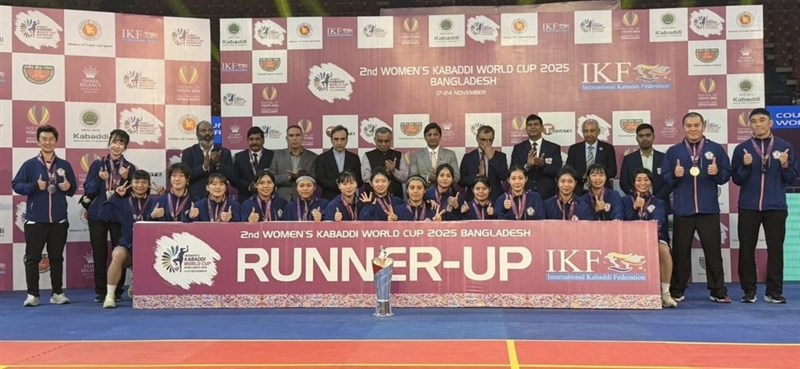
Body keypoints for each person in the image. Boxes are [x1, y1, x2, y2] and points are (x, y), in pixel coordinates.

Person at [661, 112, 731, 303]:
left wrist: (717, 173)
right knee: (681, 252)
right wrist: (674, 175)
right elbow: (665, 178)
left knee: (713, 252)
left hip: (708, 209)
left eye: (696, 125)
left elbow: (726, 176)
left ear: (703, 126)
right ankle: (677, 289)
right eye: (689, 125)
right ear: (683, 128)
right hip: (683, 210)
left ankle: (718, 290)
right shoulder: (674, 151)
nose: (693, 129)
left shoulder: (715, 149)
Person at [731, 108, 798, 304]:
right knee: (746, 249)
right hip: (749, 206)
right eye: (754, 121)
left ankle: (774, 292)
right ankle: (749, 291)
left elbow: (791, 178)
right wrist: (745, 165)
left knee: (775, 249)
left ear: (770, 123)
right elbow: (737, 179)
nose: (758, 124)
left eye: (762, 120)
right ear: (749, 125)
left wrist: (785, 165)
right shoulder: (742, 148)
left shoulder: (785, 147)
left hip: (775, 206)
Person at [12, 125, 77, 307]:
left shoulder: (64, 165)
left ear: (56, 141)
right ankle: (33, 294)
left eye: (51, 139)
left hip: (58, 221)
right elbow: (16, 185)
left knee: (56, 257)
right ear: (38, 141)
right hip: (35, 221)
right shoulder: (30, 165)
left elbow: (72, 189)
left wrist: (68, 188)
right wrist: (34, 186)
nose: (47, 142)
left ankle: (57, 293)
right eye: (44, 139)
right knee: (32, 258)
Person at [82, 129, 137, 303]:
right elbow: (88, 190)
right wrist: (98, 178)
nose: (117, 146)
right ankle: (100, 291)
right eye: (114, 142)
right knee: (99, 254)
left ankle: (117, 290)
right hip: (98, 215)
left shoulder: (130, 167)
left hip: (119, 216)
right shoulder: (98, 165)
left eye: (121, 143)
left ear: (125, 147)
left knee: (118, 253)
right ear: (109, 143)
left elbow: (134, 194)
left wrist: (127, 180)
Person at [622, 168, 678, 308]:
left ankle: (665, 293)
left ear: (651, 183)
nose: (642, 183)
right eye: (639, 180)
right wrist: (634, 209)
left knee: (664, 250)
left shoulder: (658, 202)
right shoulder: (624, 201)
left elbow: (658, 221)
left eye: (646, 179)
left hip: (652, 239)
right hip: (627, 240)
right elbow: (621, 221)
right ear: (633, 183)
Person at [101, 170, 154, 308]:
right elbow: (102, 214)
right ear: (131, 184)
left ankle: (137, 282)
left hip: (151, 250)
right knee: (117, 254)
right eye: (136, 182)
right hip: (128, 247)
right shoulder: (122, 203)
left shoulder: (155, 202)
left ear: (149, 185)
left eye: (144, 182)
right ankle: (110, 295)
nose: (140, 185)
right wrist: (116, 196)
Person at [619, 124, 670, 211]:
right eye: (641, 136)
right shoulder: (629, 159)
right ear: (637, 138)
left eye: (648, 135)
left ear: (653, 137)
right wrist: (636, 196)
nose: (645, 138)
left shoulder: (664, 158)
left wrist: (655, 199)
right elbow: (624, 183)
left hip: (660, 203)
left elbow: (669, 182)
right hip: (636, 204)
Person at [510, 114, 562, 199]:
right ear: (526, 129)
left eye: (536, 124)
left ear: (542, 128)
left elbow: (558, 170)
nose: (533, 127)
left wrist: (544, 165)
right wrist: (527, 166)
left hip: (548, 194)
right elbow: (512, 169)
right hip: (524, 193)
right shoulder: (518, 148)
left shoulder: (553, 148)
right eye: (530, 125)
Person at [181, 120, 235, 199]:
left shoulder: (225, 152)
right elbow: (186, 177)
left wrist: (218, 164)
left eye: (210, 130)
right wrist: (204, 167)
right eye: (203, 131)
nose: (207, 133)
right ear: (197, 134)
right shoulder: (188, 153)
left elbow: (232, 176)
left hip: (220, 198)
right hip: (196, 197)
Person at [566, 118, 617, 195]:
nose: (589, 134)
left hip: (603, 190)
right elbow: (569, 170)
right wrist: (585, 176)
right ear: (582, 132)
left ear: (598, 131)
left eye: (592, 131)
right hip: (579, 190)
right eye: (586, 131)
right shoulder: (574, 149)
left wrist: (597, 177)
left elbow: (612, 171)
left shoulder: (608, 148)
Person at [460, 125, 508, 202]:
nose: (486, 142)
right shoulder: (468, 157)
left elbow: (504, 176)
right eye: (483, 139)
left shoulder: (500, 156)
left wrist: (492, 158)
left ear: (493, 139)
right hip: (473, 200)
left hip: (495, 199)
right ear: (477, 139)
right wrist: (477, 176)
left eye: (490, 140)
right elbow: (462, 181)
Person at [270, 125, 318, 201]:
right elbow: (271, 178)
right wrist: (288, 177)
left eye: (297, 135)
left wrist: (301, 176)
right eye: (291, 135)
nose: (294, 138)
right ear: (287, 139)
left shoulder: (313, 157)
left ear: (302, 138)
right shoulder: (278, 155)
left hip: (305, 198)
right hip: (282, 198)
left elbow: (315, 178)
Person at [316, 125, 363, 201]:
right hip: (329, 199)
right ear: (331, 140)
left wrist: (347, 186)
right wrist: (340, 185)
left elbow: (359, 180)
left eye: (342, 139)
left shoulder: (354, 158)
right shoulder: (322, 158)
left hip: (350, 200)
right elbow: (320, 180)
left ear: (347, 140)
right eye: (336, 139)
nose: (339, 142)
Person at [361, 127, 408, 199]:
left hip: (396, 197)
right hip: (373, 198)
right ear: (375, 140)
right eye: (380, 141)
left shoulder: (399, 155)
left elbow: (405, 177)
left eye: (387, 141)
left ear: (391, 140)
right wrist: (382, 174)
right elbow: (365, 177)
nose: (383, 144)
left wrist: (394, 171)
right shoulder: (367, 155)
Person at [232, 126, 273, 202]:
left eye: (257, 139)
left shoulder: (272, 155)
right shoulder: (239, 157)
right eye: (251, 139)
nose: (254, 142)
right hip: (245, 199)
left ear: (263, 140)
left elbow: (275, 176)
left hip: (268, 199)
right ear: (247, 140)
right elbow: (234, 179)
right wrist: (248, 186)